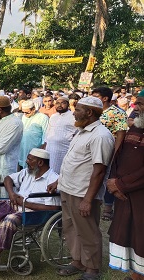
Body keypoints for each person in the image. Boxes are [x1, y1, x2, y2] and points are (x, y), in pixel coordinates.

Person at [47, 96, 114, 280]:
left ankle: (92, 268)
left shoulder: (101, 135)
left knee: (87, 231)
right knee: (70, 228)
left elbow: (99, 171)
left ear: (89, 112)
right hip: (68, 189)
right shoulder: (82, 131)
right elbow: (73, 162)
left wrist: (88, 200)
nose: (74, 113)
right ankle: (77, 261)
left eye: (77, 109)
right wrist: (59, 181)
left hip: (83, 193)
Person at [107, 90, 144, 280]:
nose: (137, 108)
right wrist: (113, 181)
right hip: (124, 195)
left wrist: (122, 184)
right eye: (137, 104)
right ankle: (135, 274)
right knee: (128, 235)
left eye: (142, 104)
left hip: (139, 196)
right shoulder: (135, 128)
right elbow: (119, 155)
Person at [92, 86, 128, 221]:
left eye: (96, 97)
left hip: (109, 150)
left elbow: (121, 133)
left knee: (107, 177)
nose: (92, 99)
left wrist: (115, 154)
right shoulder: (94, 111)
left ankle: (107, 207)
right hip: (93, 150)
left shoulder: (117, 112)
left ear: (105, 98)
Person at [41, 96, 77, 173]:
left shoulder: (73, 116)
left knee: (60, 171)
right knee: (49, 170)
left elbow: (77, 133)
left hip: (64, 149)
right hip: (50, 148)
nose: (59, 105)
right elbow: (48, 131)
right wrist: (45, 144)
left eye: (63, 103)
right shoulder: (53, 116)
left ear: (68, 105)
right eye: (57, 103)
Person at [19, 100, 49, 169]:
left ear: (33, 109)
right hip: (23, 146)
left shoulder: (43, 117)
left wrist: (43, 146)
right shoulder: (24, 116)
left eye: (27, 112)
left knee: (33, 167)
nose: (25, 114)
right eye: (23, 112)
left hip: (35, 147)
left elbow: (46, 133)